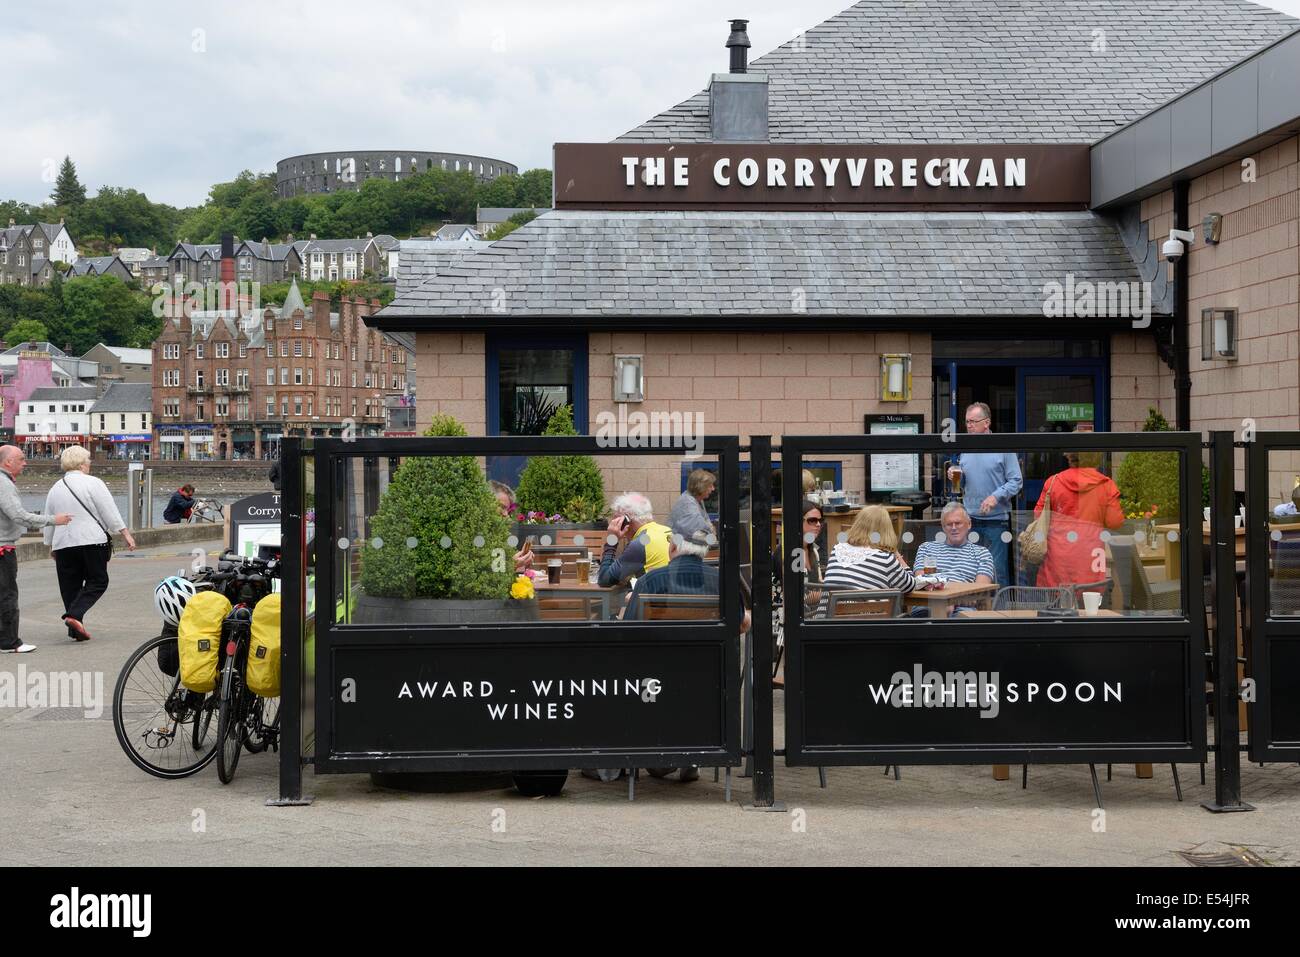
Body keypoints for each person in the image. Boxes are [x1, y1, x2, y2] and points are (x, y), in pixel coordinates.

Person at [43, 445, 137, 641]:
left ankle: (75, 628)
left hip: (63, 544)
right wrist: (125, 533)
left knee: (70, 586)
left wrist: (50, 544)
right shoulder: (93, 483)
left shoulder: (55, 487)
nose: (89, 464)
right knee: (98, 580)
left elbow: (49, 518)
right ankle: (74, 616)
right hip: (91, 540)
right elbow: (108, 510)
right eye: (88, 461)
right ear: (81, 463)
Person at [0, 445, 72, 653]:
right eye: (21, 459)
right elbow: (19, 515)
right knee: (8, 595)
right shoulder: (4, 484)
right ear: (8, 462)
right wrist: (54, 520)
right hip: (3, 548)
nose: (25, 462)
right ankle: (9, 642)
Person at [948, 402, 1022, 586]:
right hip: (970, 519)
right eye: (967, 422)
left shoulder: (1003, 447)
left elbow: (1016, 481)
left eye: (973, 421)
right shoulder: (965, 447)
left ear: (986, 423)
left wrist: (995, 496)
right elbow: (963, 483)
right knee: (971, 570)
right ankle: (974, 612)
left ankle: (998, 613)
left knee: (997, 572)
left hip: (996, 520)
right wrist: (955, 476)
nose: (969, 426)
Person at [1033, 451, 1123, 591]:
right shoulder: (1106, 485)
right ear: (1096, 456)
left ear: (1069, 456)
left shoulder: (1054, 482)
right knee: (1090, 602)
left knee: (1059, 603)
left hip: (1058, 554)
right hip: (1090, 553)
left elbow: (1038, 516)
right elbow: (1115, 522)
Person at [822, 504, 915, 600]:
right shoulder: (885, 559)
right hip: (866, 614)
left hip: (827, 614)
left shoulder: (837, 549)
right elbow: (910, 586)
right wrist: (898, 556)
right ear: (887, 530)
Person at [597, 492, 673, 587]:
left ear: (626, 521)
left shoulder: (640, 543)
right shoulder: (667, 530)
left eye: (616, 520)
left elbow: (604, 580)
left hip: (656, 599)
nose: (614, 524)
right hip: (673, 595)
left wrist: (612, 540)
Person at [913, 502, 996, 585]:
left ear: (969, 524)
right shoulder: (926, 549)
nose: (954, 528)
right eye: (949, 524)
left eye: (958, 523)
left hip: (965, 597)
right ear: (943, 527)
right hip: (933, 597)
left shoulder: (982, 554)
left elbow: (981, 590)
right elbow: (921, 583)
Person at [490, 480, 533, 574]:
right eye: (502, 507)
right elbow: (486, 576)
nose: (506, 514)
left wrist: (520, 558)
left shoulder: (497, 533)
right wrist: (513, 564)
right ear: (486, 502)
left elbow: (496, 568)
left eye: (508, 510)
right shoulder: (475, 532)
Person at [668, 468, 715, 542]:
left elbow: (707, 523)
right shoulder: (688, 503)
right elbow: (699, 534)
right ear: (701, 487)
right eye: (710, 486)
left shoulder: (698, 500)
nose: (713, 489)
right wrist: (711, 532)